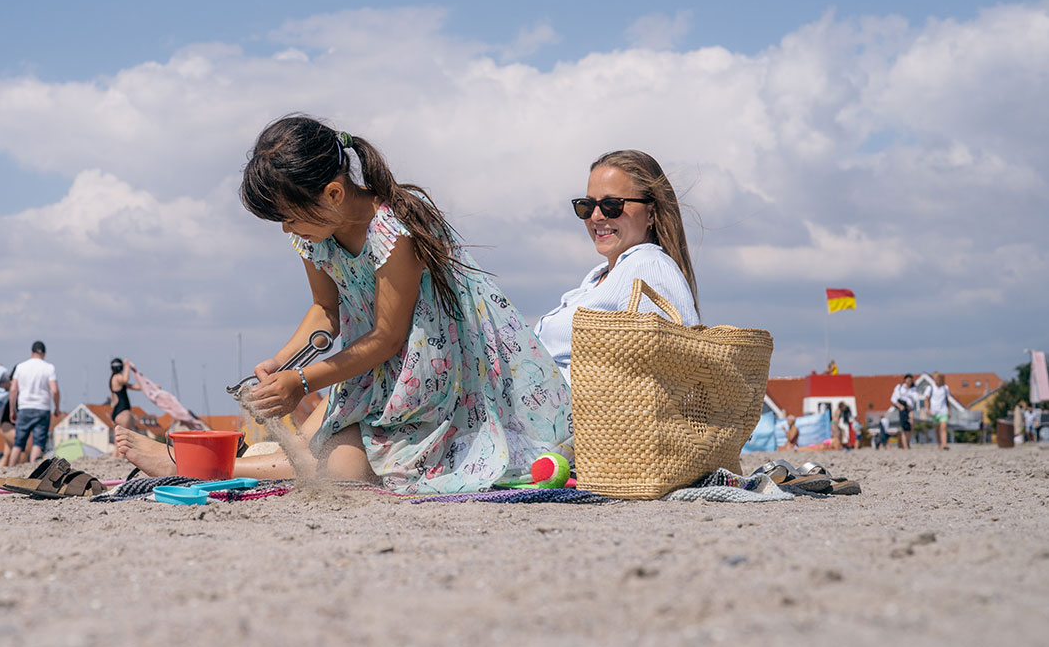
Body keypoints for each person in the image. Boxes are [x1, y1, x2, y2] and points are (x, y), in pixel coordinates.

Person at [117, 115, 569, 493]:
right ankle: (206, 459)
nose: (286, 230)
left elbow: (389, 337)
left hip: (433, 380)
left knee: (342, 468)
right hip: (372, 373)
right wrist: (283, 363)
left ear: (333, 194)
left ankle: (195, 466)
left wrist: (303, 382)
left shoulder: (394, 234)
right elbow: (325, 312)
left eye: (290, 217)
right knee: (315, 445)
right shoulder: (316, 237)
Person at [534, 150, 701, 394]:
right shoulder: (599, 277)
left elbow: (663, 375)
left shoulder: (648, 267)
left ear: (651, 213)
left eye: (612, 205)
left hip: (589, 424)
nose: (596, 216)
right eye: (586, 206)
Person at [9, 341, 60, 465]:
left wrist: (12, 410)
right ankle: (34, 470)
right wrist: (57, 408)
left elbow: (13, 389)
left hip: (24, 407)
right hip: (42, 408)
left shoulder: (21, 367)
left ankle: (9, 470)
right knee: (38, 443)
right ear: (44, 353)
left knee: (18, 443)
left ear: (32, 352)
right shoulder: (49, 367)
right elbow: (54, 390)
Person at [108, 358, 141, 438]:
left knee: (118, 445)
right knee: (126, 439)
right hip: (123, 412)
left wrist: (151, 388)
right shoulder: (117, 377)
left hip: (117, 413)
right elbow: (125, 380)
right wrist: (127, 366)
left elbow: (134, 387)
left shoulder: (115, 379)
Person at [925, 372, 951, 450]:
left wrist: (949, 410)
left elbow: (947, 400)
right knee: (937, 429)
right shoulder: (930, 388)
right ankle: (939, 444)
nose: (937, 380)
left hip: (943, 410)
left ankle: (944, 445)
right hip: (934, 411)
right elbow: (926, 399)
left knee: (943, 428)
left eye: (939, 378)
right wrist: (928, 409)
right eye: (936, 378)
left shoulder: (945, 388)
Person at [890, 375, 917, 449]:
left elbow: (915, 399)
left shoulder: (913, 389)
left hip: (910, 409)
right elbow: (893, 398)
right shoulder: (899, 387)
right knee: (904, 427)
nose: (909, 382)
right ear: (905, 380)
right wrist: (899, 406)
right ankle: (905, 446)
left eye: (910, 380)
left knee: (910, 426)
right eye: (908, 380)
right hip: (902, 409)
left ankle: (908, 442)